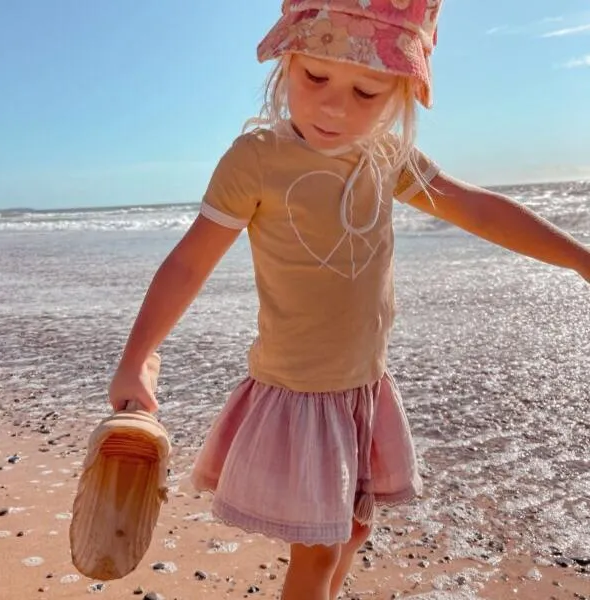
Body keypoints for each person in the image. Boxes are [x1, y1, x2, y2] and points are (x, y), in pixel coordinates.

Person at [108, 1, 590, 598]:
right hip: (301, 395)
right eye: (316, 78)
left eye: (366, 92)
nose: (335, 106)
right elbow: (188, 263)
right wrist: (139, 355)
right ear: (286, 65)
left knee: (358, 528)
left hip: (364, 386)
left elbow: (477, 208)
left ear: (399, 97)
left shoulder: (384, 157)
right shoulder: (257, 161)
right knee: (318, 549)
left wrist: (580, 259)